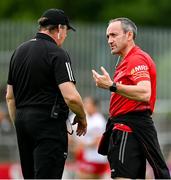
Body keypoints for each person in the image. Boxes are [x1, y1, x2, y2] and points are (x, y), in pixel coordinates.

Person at [6, 8, 87, 179]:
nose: (65, 36)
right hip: (48, 124)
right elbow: (71, 96)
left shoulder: (18, 52)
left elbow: (10, 97)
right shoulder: (57, 53)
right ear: (59, 28)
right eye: (66, 31)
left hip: (22, 122)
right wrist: (82, 117)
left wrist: (20, 124)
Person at [92, 17, 170, 179]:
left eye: (114, 35)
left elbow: (144, 93)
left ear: (129, 35)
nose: (109, 40)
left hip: (128, 128)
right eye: (108, 36)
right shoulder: (125, 61)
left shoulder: (136, 58)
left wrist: (112, 86)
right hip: (129, 128)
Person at [74, 96, 109, 179]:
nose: (85, 105)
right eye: (84, 103)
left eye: (87, 103)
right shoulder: (86, 118)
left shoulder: (98, 121)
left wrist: (83, 145)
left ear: (94, 106)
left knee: (84, 177)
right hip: (87, 156)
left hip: (96, 158)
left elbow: (98, 141)